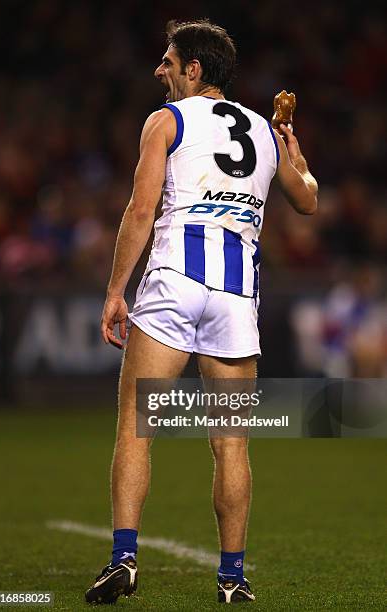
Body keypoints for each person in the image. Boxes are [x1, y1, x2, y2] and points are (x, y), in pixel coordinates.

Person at [85, 18, 317, 606]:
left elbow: (141, 210)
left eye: (167, 60)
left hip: (173, 281)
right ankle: (233, 578)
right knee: (232, 444)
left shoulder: (166, 120)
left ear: (194, 69)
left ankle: (123, 561)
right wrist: (294, 151)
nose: (158, 70)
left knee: (138, 428)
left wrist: (116, 289)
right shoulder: (265, 131)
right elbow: (308, 199)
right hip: (237, 298)